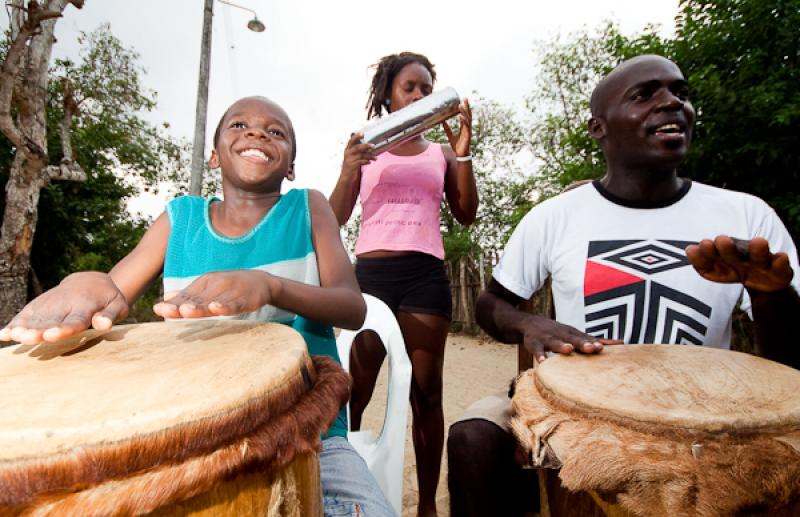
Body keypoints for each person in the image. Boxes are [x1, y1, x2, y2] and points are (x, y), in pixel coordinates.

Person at [0, 96, 395, 517]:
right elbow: (112, 290)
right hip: (191, 436)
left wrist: (271, 287)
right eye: (239, 125)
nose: (257, 132)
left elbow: (351, 306)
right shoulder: (180, 219)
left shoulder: (308, 207)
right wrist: (84, 283)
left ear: (291, 166)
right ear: (213, 156)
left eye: (275, 131)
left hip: (312, 431)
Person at [447, 54, 800, 516]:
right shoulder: (556, 216)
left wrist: (770, 294)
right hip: (576, 409)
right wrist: (528, 323)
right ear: (599, 127)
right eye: (645, 94)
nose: (672, 102)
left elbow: (790, 364)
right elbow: (491, 304)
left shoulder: (745, 216)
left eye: (680, 93)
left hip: (705, 417)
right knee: (472, 436)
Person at [329, 52, 478, 516]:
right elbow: (333, 219)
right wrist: (349, 167)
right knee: (358, 384)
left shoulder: (441, 153)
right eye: (409, 88)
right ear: (388, 94)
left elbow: (466, 213)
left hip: (424, 277)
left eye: (425, 90)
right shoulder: (365, 147)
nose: (418, 96)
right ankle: (346, 482)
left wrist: (464, 152)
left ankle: (428, 505)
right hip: (372, 275)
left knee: (427, 389)